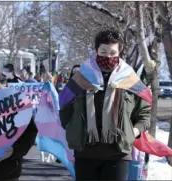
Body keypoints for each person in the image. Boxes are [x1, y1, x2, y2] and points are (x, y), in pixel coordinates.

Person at [59, 30, 151, 180]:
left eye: (112, 52)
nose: (108, 56)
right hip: (85, 153)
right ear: (96, 50)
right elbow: (64, 106)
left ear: (119, 52)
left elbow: (144, 113)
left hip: (118, 155)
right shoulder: (80, 78)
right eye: (103, 51)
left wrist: (133, 131)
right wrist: (73, 128)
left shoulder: (130, 80)